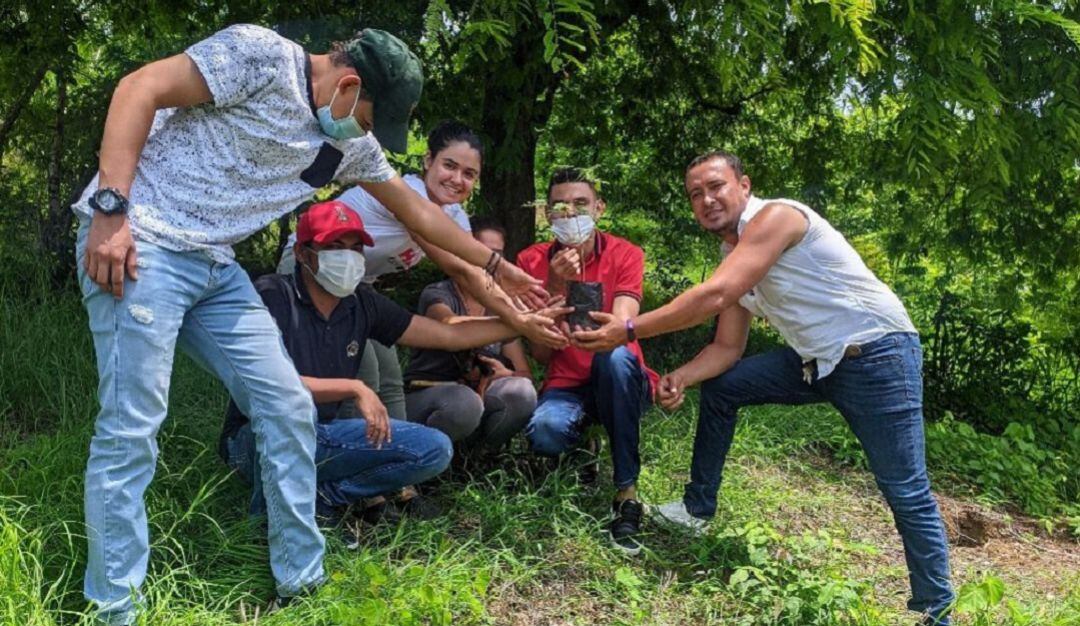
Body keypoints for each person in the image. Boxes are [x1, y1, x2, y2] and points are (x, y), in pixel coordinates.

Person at [72, 24, 545, 624]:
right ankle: (114, 607)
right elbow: (139, 87)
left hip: (215, 265)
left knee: (288, 406)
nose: (368, 135)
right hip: (144, 243)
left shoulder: (347, 143)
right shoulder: (259, 56)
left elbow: (422, 214)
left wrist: (498, 264)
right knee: (132, 425)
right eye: (371, 120)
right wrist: (110, 210)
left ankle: (302, 578)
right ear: (348, 85)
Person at [572, 151, 955, 624]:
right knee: (725, 386)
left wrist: (628, 331)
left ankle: (937, 612)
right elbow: (728, 347)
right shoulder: (733, 254)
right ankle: (697, 508)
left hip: (876, 354)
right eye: (696, 194)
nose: (707, 200)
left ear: (745, 186)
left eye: (716, 186)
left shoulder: (779, 217)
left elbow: (715, 296)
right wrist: (682, 377)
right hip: (816, 361)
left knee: (905, 489)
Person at [221, 202, 560, 534]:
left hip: (326, 435)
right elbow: (267, 383)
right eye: (334, 246)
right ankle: (282, 516)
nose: (347, 257)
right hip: (257, 437)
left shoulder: (362, 302)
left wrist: (523, 324)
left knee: (433, 449)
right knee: (292, 426)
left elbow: (446, 334)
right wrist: (354, 388)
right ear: (303, 253)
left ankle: (324, 496)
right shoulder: (271, 294)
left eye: (355, 249)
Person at [279, 121, 567, 420]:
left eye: (469, 174)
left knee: (389, 378)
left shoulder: (455, 216)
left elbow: (478, 277)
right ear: (428, 160)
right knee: (363, 372)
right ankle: (345, 453)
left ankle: (403, 454)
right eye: (449, 166)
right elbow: (459, 268)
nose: (457, 179)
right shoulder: (409, 195)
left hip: (358, 287)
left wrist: (526, 313)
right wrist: (519, 318)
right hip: (311, 266)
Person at [515, 167, 658, 556]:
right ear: (548, 214)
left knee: (613, 359)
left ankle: (626, 492)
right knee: (545, 433)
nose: (571, 214)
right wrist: (556, 286)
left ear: (599, 208)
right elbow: (542, 353)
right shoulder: (529, 261)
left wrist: (605, 330)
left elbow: (624, 327)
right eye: (561, 207)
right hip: (566, 382)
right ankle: (587, 440)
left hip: (619, 374)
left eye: (581, 204)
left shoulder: (627, 253)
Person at [403, 218, 538, 452]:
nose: (487, 261)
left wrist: (504, 373)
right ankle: (427, 458)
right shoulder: (438, 293)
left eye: (496, 254)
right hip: (430, 392)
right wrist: (513, 322)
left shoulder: (505, 304)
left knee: (521, 392)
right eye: (480, 251)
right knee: (463, 403)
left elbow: (523, 372)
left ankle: (477, 457)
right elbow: (449, 324)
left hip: (481, 395)